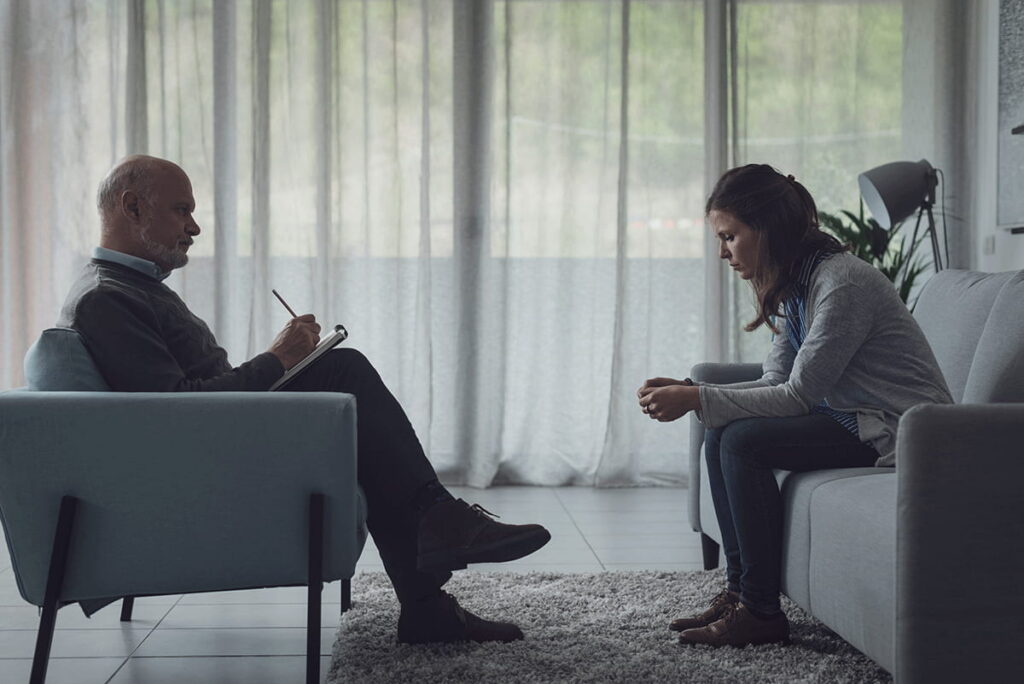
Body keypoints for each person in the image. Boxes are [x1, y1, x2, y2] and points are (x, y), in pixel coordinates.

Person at [58, 154, 552, 644]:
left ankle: (429, 591)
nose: (194, 227)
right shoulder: (108, 298)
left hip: (216, 440)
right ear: (133, 207)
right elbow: (174, 412)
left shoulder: (131, 287)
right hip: (206, 462)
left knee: (348, 400)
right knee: (343, 370)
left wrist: (282, 363)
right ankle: (437, 536)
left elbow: (185, 402)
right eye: (181, 210)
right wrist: (276, 360)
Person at [636, 164, 952, 647]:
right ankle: (740, 595)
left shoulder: (842, 284)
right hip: (847, 416)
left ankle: (760, 612)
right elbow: (775, 381)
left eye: (730, 237)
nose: (722, 252)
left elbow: (796, 396)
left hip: (897, 430)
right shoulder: (797, 283)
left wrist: (697, 397)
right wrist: (691, 389)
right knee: (721, 432)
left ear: (765, 229)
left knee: (741, 442)